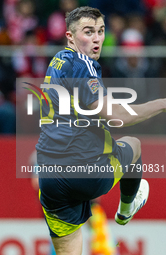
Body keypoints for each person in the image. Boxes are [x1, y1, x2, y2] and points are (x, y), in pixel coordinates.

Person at [37, 7, 166, 255]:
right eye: (88, 32)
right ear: (70, 36)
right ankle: (125, 210)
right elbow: (117, 116)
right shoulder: (83, 65)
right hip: (86, 173)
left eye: (101, 31)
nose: (97, 39)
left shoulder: (57, 60)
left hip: (50, 177)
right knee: (134, 145)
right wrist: (161, 103)